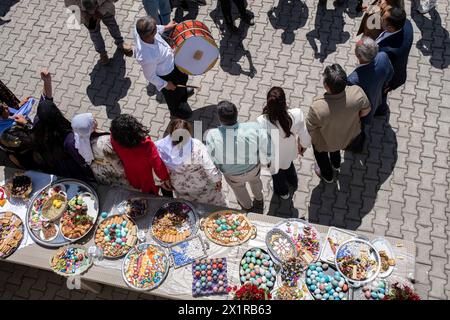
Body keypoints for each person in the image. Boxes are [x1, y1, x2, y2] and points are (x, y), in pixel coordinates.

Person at [10, 71, 96, 181]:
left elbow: (46, 98)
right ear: (57, 114)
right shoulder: (68, 137)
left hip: (55, 166)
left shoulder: (37, 124)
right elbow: (82, 159)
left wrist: (47, 81)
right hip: (73, 167)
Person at [306, 64, 371, 183]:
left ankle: (328, 176)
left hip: (326, 141)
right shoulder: (357, 92)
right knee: (335, 148)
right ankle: (336, 164)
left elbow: (310, 129)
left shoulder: (317, 107)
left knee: (320, 153)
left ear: (326, 86)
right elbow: (366, 111)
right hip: (347, 137)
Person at [206, 101, 271, 212]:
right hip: (253, 168)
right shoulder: (254, 127)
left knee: (239, 190)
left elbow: (212, 158)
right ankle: (259, 199)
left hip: (233, 175)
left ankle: (247, 207)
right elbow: (267, 145)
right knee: (256, 182)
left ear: (220, 118)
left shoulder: (212, 135)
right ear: (236, 114)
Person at [156, 119, 227, 206]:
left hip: (180, 186)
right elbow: (209, 165)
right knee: (212, 203)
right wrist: (217, 180)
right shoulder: (196, 145)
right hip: (201, 185)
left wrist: (161, 182)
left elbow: (156, 166)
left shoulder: (161, 147)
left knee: (189, 205)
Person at [134, 16, 194, 119]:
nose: (157, 29)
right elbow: (150, 76)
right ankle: (175, 111)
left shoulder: (139, 29)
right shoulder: (146, 57)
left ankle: (183, 95)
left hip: (173, 62)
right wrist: (165, 84)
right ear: (150, 35)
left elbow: (156, 27)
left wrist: (167, 27)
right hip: (167, 74)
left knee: (183, 79)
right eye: (155, 30)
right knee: (172, 95)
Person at [256, 87, 311, 200]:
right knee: (289, 165)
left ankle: (283, 192)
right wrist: (303, 146)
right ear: (285, 102)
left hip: (273, 158)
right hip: (289, 151)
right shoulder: (296, 114)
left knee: (277, 176)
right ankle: (293, 181)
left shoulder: (261, 121)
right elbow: (305, 136)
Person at [347, 37, 393, 152]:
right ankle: (381, 111)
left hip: (364, 112)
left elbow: (352, 103)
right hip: (379, 97)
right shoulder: (383, 57)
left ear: (359, 56)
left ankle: (357, 147)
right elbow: (390, 72)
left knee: (358, 130)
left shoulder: (353, 80)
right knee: (381, 105)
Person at [110, 114, 171, 194]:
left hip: (132, 174)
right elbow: (158, 166)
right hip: (147, 177)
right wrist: (166, 178)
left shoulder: (115, 140)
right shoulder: (146, 145)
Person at [71, 113, 130, 187]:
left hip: (99, 173)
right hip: (112, 173)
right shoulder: (105, 143)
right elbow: (119, 166)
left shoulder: (79, 140)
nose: (94, 119)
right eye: (92, 120)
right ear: (90, 127)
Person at [65, 0, 133, 65]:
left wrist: (101, 11)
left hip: (104, 7)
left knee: (112, 25)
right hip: (88, 15)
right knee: (95, 34)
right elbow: (71, 5)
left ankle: (120, 42)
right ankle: (102, 53)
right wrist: (86, 16)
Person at [375, 6, 413, 116]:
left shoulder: (388, 51)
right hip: (398, 67)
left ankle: (380, 110)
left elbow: (382, 69)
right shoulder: (406, 24)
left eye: (382, 19)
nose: (380, 18)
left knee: (380, 94)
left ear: (390, 28)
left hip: (389, 79)